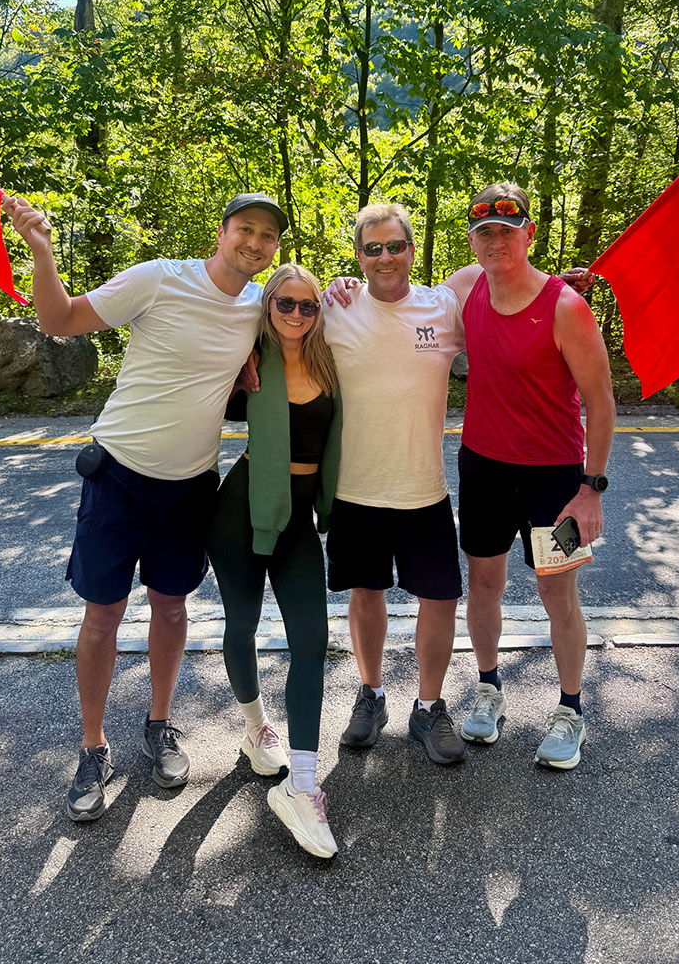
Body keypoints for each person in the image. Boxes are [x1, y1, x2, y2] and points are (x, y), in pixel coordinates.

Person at [2, 192, 283, 821]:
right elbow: (61, 320)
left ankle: (159, 725)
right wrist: (41, 253)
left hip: (190, 486)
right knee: (102, 616)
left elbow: (308, 319)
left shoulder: (257, 308)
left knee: (172, 607)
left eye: (268, 236)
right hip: (118, 477)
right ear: (223, 229)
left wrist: (346, 287)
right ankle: (92, 746)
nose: (255, 243)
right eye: (246, 229)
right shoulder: (161, 278)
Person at [445, 183, 613, 770]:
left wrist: (590, 489)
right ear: (473, 239)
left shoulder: (565, 306)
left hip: (555, 479)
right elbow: (401, 306)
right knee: (484, 584)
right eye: (484, 232)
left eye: (506, 231)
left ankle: (571, 709)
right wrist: (343, 289)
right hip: (484, 469)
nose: (495, 241)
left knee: (556, 589)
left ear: (528, 234)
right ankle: (489, 689)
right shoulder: (465, 289)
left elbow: (601, 401)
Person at [319, 205, 470, 765]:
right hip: (355, 488)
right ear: (358, 256)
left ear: (412, 249)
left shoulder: (442, 307)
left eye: (395, 246)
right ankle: (371, 693)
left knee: (440, 598)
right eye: (372, 249)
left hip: (423, 488)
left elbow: (499, 288)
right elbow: (274, 319)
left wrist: (564, 283)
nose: (385, 258)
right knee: (365, 593)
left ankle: (429, 707)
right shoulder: (336, 309)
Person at [206, 263, 341, 857]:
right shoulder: (247, 349)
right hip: (242, 509)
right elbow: (194, 336)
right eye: (284, 304)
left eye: (307, 305)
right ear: (267, 307)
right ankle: (256, 729)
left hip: (301, 519)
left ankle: (302, 785)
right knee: (241, 623)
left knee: (311, 639)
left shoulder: (334, 354)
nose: (295, 314)